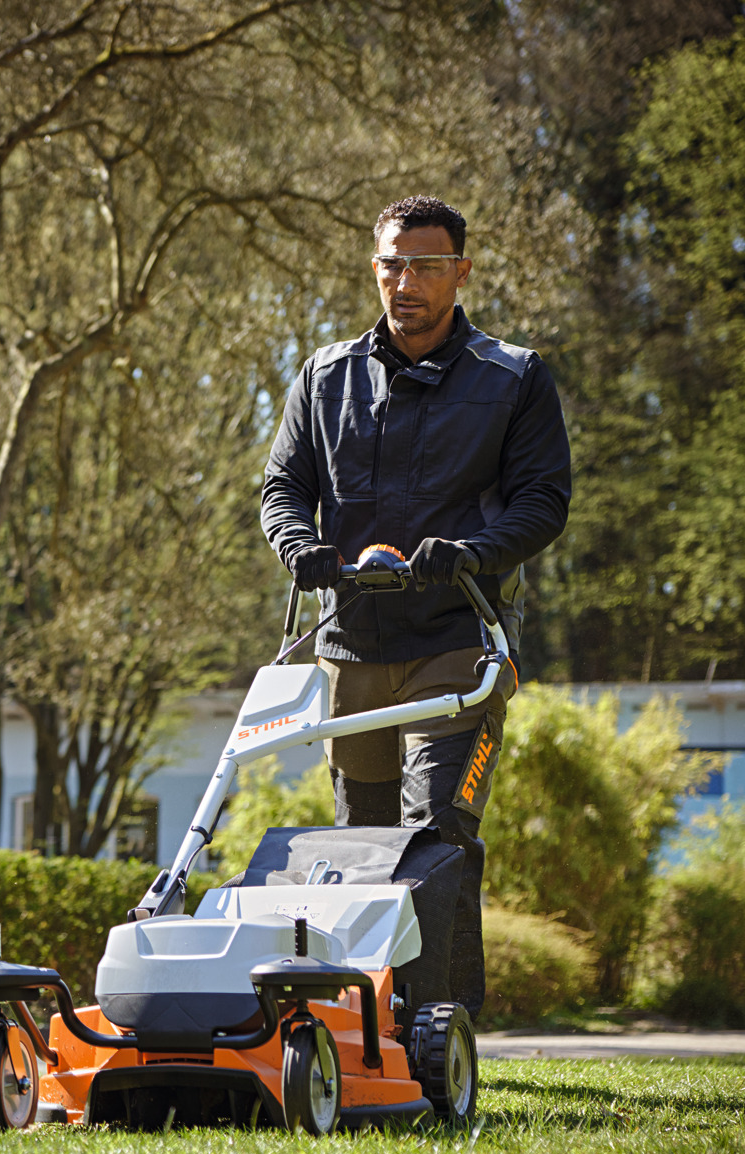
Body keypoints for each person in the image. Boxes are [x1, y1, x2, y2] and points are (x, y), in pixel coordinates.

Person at [260, 195, 572, 1016]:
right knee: (359, 844)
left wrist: (471, 552)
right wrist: (302, 547)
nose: (407, 282)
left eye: (426, 267)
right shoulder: (323, 375)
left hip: (459, 639)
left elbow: (543, 501)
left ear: (460, 273)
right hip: (351, 647)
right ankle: (365, 1027)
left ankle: (442, 1035)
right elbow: (283, 489)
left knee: (435, 835)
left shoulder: (513, 377)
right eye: (392, 264)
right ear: (375, 268)